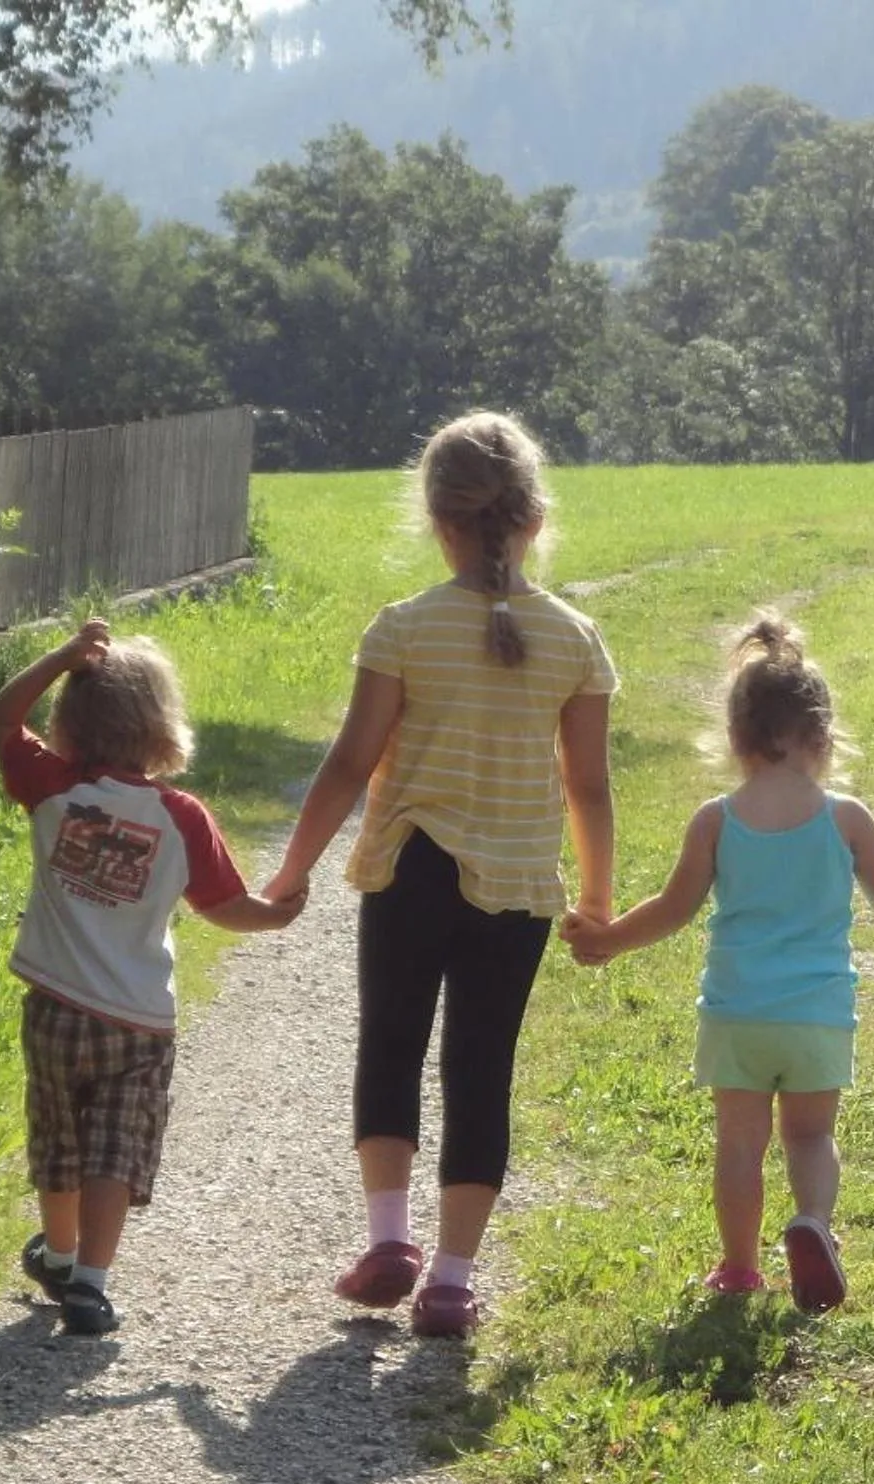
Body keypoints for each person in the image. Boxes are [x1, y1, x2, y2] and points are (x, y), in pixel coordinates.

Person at [265, 411, 617, 1340]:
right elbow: (588, 785)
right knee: (481, 1068)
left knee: (390, 1044)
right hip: (520, 888)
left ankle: (389, 1240)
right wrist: (596, 900)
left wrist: (291, 873)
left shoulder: (404, 629)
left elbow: (350, 763)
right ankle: (453, 1281)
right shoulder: (576, 639)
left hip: (411, 868)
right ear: (533, 519)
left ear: (436, 518)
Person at [562, 612, 874, 1311]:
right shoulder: (845, 817)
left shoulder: (716, 820)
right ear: (822, 736)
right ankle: (813, 1223)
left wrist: (609, 937)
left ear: (736, 737)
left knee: (739, 1145)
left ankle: (741, 1267)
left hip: (737, 1012)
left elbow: (673, 908)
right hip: (817, 1014)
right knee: (811, 1135)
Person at [0, 620, 304, 1336]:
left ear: (69, 723)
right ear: (162, 724)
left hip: (54, 1009)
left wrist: (62, 657)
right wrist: (278, 915)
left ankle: (58, 1255)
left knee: (58, 1140)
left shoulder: (52, 787)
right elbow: (226, 908)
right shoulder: (181, 816)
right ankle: (89, 1286)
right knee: (114, 1149)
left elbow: (0, 719)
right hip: (137, 1021)